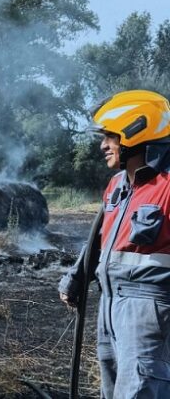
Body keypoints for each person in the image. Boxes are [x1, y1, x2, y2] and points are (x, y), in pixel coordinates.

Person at [59, 90, 170, 398]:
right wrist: (77, 277)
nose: (103, 145)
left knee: (142, 390)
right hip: (109, 304)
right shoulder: (117, 186)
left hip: (148, 309)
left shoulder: (167, 186)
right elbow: (98, 238)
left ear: (135, 131)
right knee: (114, 390)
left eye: (110, 136)